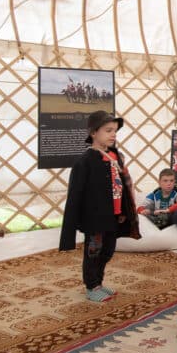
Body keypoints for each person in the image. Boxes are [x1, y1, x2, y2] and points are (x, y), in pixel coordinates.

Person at [59, 111, 141, 302]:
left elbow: (122, 186)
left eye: (115, 131)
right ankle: (91, 286)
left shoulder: (115, 156)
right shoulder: (85, 161)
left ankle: (99, 283)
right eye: (108, 130)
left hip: (113, 215)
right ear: (94, 133)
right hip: (94, 218)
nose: (113, 134)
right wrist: (72, 225)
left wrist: (124, 211)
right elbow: (75, 195)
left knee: (108, 250)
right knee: (93, 252)